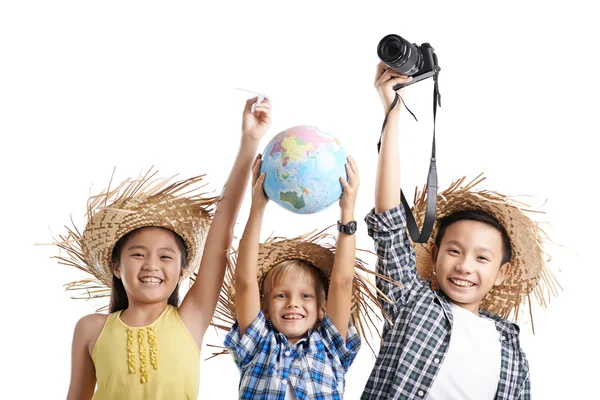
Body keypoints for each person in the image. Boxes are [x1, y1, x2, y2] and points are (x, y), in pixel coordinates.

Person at [361, 62, 559, 400]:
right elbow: (390, 221)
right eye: (454, 251)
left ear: (501, 272)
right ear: (435, 256)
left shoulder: (510, 349)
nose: (465, 266)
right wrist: (392, 110)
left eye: (482, 257)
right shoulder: (411, 302)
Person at [54, 97, 272, 399]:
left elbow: (222, 227)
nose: (151, 265)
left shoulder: (189, 319)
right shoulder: (91, 329)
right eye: (138, 253)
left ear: (182, 270)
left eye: (165, 256)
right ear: (116, 266)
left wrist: (250, 140)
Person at [220, 155, 377, 399]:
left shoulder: (329, 346)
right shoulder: (257, 344)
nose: (293, 303)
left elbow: (342, 283)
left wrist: (348, 212)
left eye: (306, 296)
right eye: (281, 295)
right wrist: (257, 207)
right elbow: (245, 281)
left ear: (323, 308)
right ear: (265, 307)